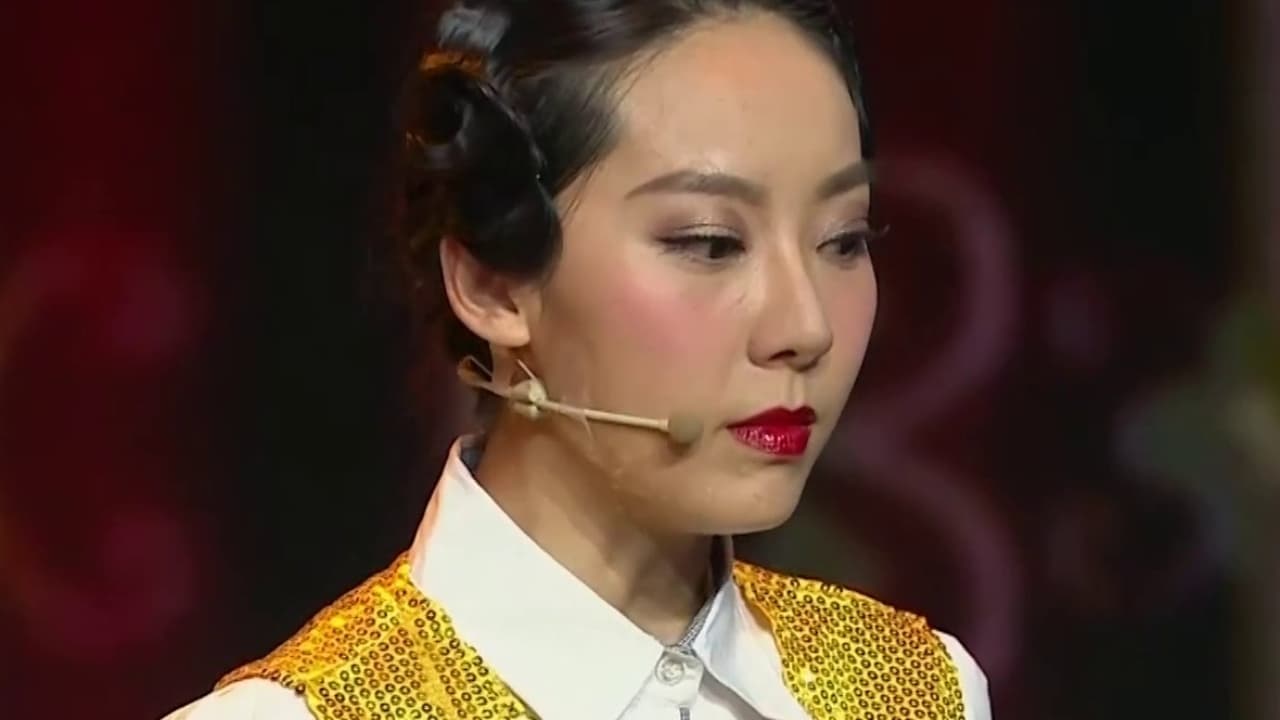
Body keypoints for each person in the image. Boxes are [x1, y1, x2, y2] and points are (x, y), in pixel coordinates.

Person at [165, 1, 992, 718]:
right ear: (492, 284)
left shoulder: (922, 690)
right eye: (710, 242)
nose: (806, 327)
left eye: (844, 239)